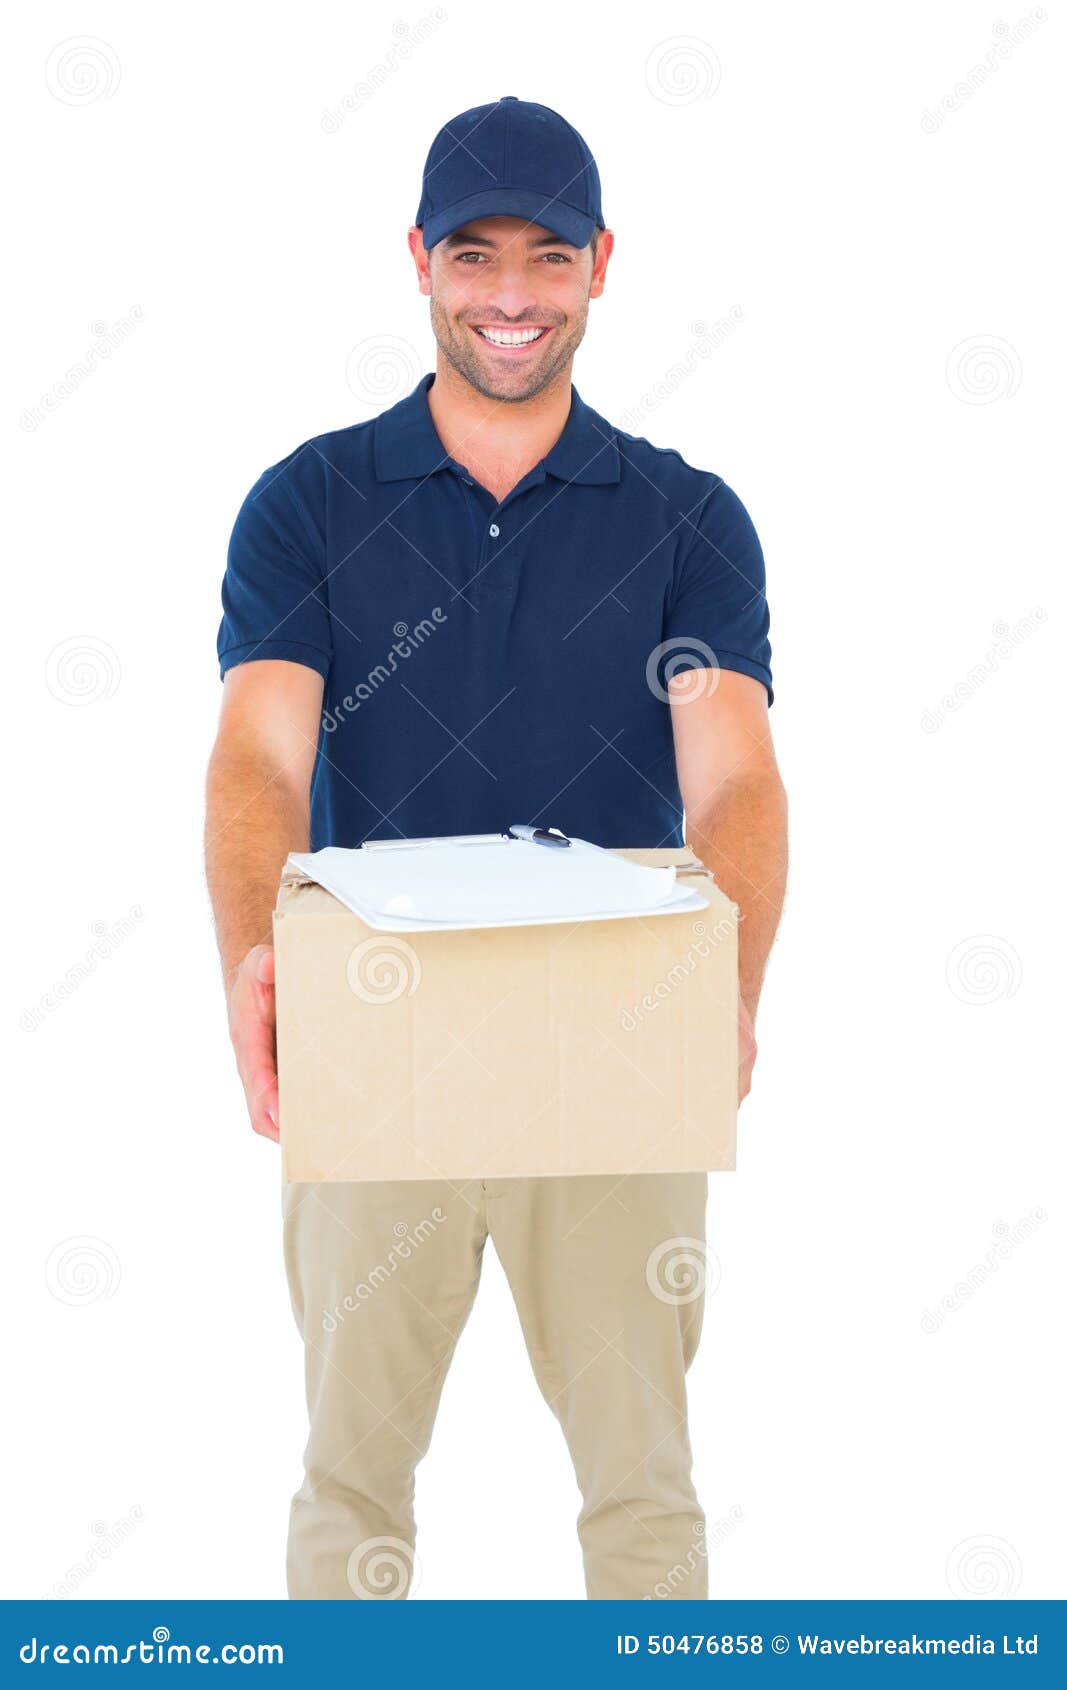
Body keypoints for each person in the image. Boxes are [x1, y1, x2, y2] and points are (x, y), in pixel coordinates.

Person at [205, 96, 787, 1601]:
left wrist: (731, 972)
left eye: (547, 257)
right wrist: (255, 957)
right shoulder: (311, 502)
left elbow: (732, 775)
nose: (512, 295)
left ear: (602, 264)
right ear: (418, 260)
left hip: (616, 1042)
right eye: (475, 255)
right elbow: (261, 751)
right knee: (351, 1483)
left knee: (644, 1493)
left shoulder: (686, 517)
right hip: (376, 1026)